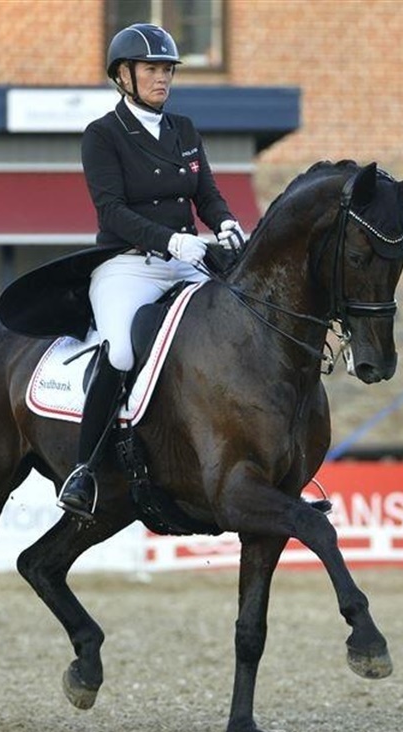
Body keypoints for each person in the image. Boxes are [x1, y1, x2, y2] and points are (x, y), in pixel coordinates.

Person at [58, 23, 247, 520]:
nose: (162, 78)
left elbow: (207, 194)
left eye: (167, 70)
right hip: (128, 267)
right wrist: (170, 239)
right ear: (124, 75)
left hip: (186, 262)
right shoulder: (102, 135)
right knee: (120, 350)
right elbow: (111, 211)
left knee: (241, 324)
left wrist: (226, 223)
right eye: (151, 69)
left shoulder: (184, 129)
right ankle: (84, 470)